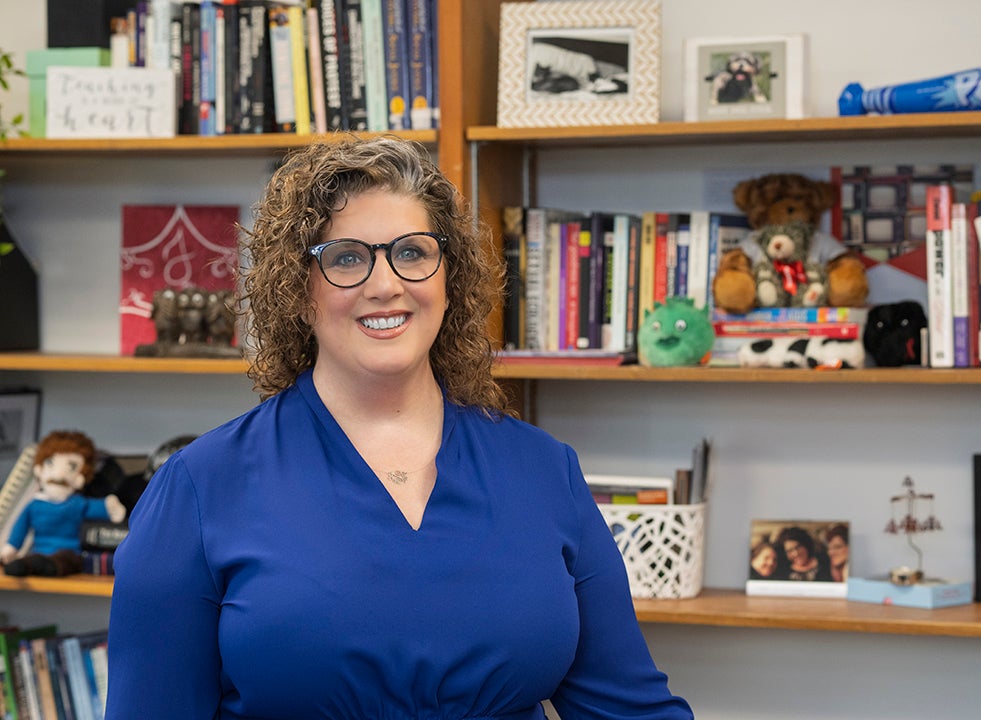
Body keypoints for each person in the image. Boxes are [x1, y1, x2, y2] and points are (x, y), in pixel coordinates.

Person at [105, 137, 693, 720]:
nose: (385, 283)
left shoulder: (544, 470)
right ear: (297, 291)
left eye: (411, 253)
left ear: (447, 278)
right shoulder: (201, 489)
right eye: (346, 257)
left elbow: (631, 709)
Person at [1, 429, 126, 577]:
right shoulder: (34, 505)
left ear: (80, 476)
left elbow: (100, 508)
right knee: (32, 560)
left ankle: (47, 566)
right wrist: (11, 548)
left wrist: (109, 506)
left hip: (70, 553)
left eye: (71, 466)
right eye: (50, 463)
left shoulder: (78, 503)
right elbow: (20, 529)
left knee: (66, 559)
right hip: (38, 551)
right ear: (39, 470)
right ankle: (26, 565)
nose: (59, 475)